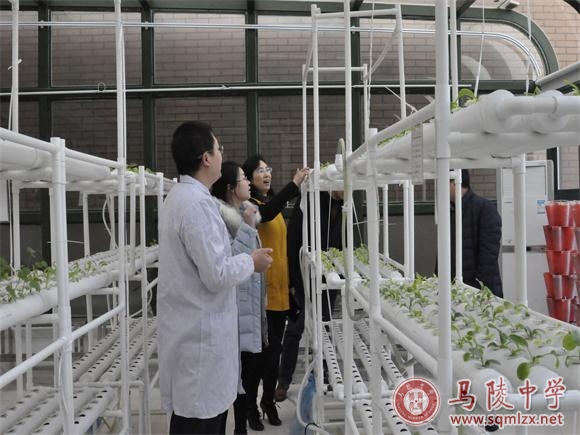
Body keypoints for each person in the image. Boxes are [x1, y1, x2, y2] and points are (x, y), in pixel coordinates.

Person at [157, 121, 273, 435]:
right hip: (200, 346)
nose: (222, 154)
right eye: (218, 148)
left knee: (200, 418)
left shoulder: (185, 198)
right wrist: (251, 262)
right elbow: (216, 273)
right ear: (206, 158)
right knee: (199, 422)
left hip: (195, 338)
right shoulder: (196, 206)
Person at [241, 155, 309, 429]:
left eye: (268, 169)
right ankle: (250, 407)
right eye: (260, 171)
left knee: (275, 354)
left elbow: (285, 247)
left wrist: (291, 284)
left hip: (280, 291)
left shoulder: (273, 205)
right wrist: (294, 184)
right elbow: (266, 215)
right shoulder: (250, 207)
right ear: (249, 178)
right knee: (261, 357)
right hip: (263, 295)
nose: (267, 174)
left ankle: (267, 401)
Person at [211, 161, 267, 435]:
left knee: (248, 378)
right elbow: (231, 262)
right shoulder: (222, 219)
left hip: (249, 312)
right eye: (244, 178)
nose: (248, 183)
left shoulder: (246, 213)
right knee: (232, 384)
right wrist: (246, 227)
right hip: (234, 314)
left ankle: (241, 426)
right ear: (232, 188)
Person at [275, 190, 344, 402]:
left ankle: (323, 374)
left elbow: (345, 240)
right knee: (295, 327)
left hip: (329, 277)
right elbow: (292, 238)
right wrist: (291, 280)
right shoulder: (310, 199)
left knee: (324, 326)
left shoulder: (344, 205)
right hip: (303, 276)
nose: (346, 190)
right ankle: (283, 380)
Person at [450, 169, 503, 298]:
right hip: (459, 290)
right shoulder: (452, 210)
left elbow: (488, 255)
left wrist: (477, 287)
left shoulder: (484, 208)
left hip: (478, 292)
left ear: (454, 183)